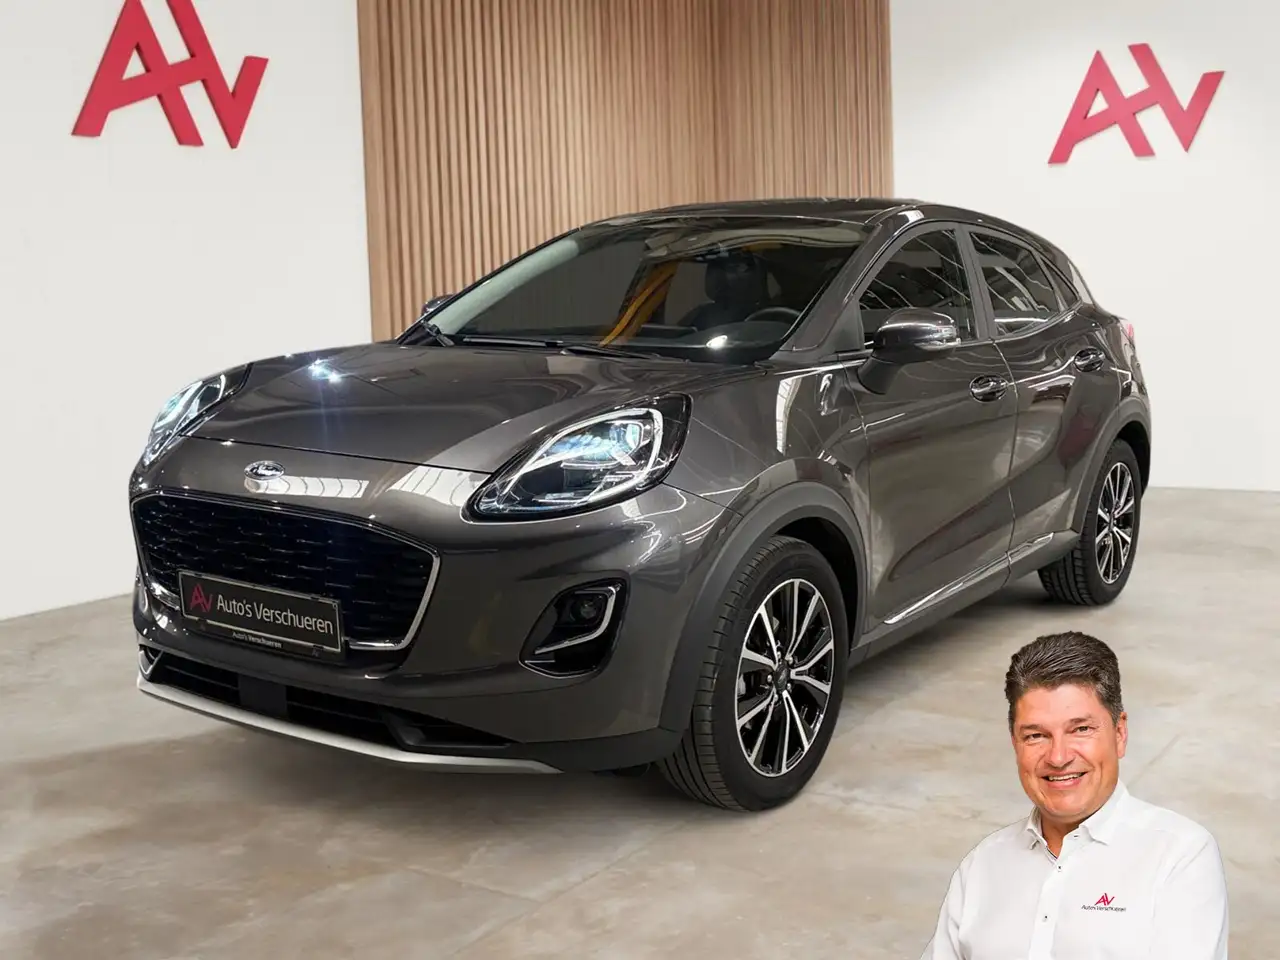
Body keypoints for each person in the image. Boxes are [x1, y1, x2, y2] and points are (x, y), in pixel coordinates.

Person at [919, 631, 1229, 959]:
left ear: (1120, 733)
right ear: (1015, 744)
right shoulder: (982, 865)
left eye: (1080, 729)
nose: (1058, 757)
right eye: (1036, 735)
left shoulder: (1179, 855)